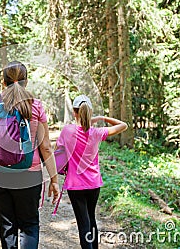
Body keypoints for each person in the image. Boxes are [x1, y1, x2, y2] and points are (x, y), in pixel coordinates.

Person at [0, 61, 60, 249]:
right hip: (29, 175)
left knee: (7, 227)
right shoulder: (35, 106)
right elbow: (45, 147)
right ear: (26, 82)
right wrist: (54, 180)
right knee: (29, 226)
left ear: (3, 83)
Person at [56, 95, 127, 249]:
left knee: (83, 224)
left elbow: (58, 153)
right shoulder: (97, 132)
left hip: (75, 185)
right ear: (90, 112)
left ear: (75, 112)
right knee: (91, 219)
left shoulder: (68, 131)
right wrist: (101, 118)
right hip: (94, 184)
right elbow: (123, 125)